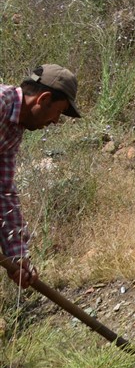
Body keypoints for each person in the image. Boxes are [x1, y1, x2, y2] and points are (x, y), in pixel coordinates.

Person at [2, 65, 82, 287]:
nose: (56, 121)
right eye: (58, 111)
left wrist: (18, 257)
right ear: (43, 99)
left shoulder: (12, 128)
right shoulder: (0, 103)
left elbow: (4, 192)